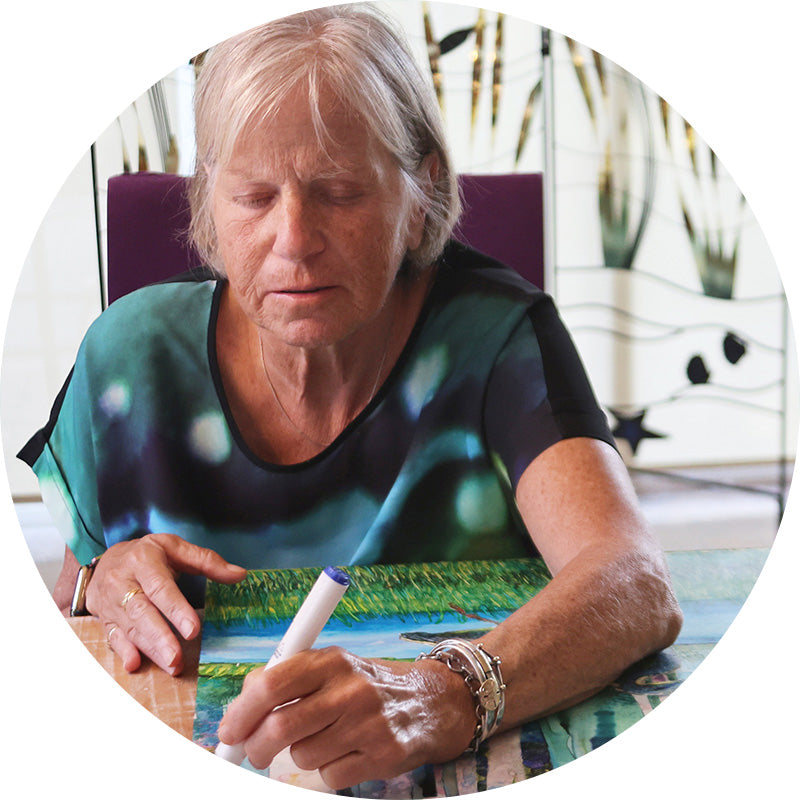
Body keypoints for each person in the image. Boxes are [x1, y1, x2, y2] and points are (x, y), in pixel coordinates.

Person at [19, 3, 682, 790]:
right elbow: (76, 607)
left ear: (421, 191)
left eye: (338, 191)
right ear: (210, 205)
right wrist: (103, 580)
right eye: (254, 196)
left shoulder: (495, 336)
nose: (294, 240)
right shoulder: (125, 355)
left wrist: (449, 693)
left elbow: (634, 582)